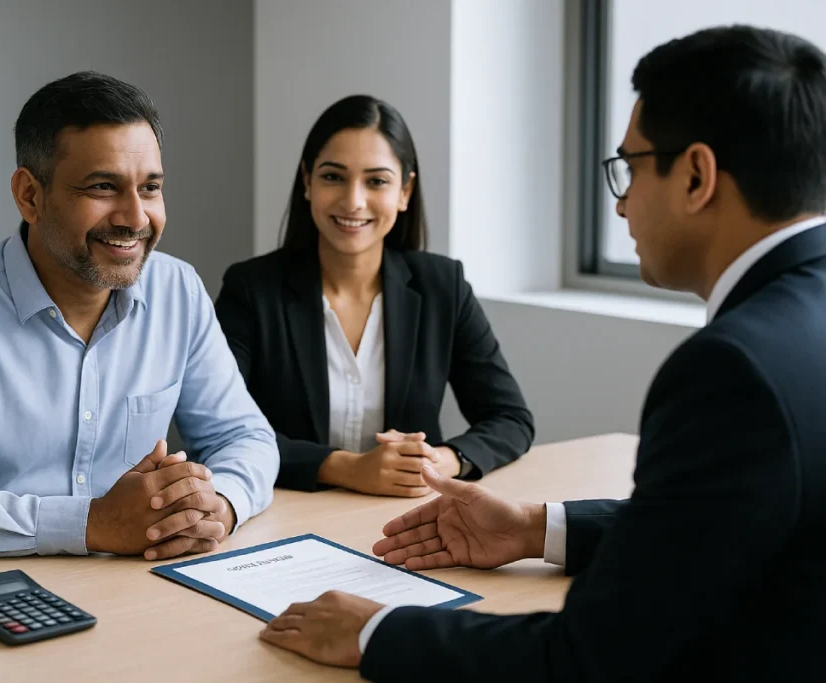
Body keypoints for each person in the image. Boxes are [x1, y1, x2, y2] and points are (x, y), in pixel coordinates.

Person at [258, 25, 826, 681]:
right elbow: (708, 529)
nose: (621, 205)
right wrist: (536, 527)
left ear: (695, 175)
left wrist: (378, 629)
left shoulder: (733, 368)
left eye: (629, 169)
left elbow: (588, 655)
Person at [0, 72, 278, 559]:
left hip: (136, 589)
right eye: (103, 187)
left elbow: (245, 437)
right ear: (30, 195)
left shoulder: (178, 290)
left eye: (150, 187)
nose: (135, 218)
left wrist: (218, 505)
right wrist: (89, 523)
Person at [214, 95, 534, 496]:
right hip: (286, 515)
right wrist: (346, 468)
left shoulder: (443, 286)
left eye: (377, 181)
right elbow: (222, 431)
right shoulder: (251, 290)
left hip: (406, 517)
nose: (353, 201)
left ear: (404, 191)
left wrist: (442, 460)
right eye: (333, 176)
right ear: (307, 181)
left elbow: (510, 418)